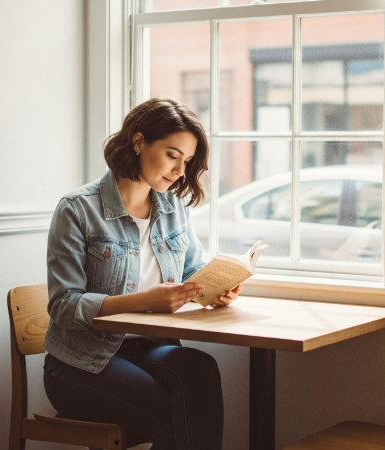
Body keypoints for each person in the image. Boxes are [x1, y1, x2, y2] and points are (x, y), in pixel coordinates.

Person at [43, 97, 242, 450]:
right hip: (81, 363)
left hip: (151, 348)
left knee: (200, 370)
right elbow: (62, 305)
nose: (181, 170)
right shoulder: (77, 210)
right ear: (138, 142)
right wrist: (144, 302)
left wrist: (215, 288)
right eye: (172, 154)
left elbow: (192, 268)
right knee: (175, 419)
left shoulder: (172, 207)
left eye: (188, 161)